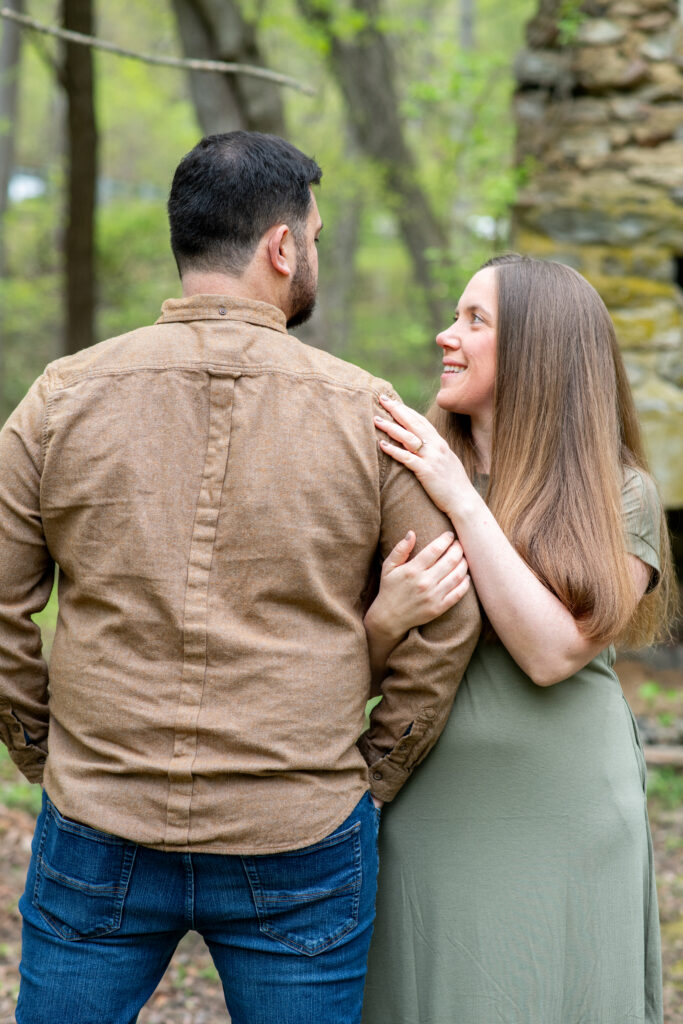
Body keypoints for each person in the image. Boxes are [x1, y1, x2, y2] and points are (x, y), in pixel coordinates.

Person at [0, 131, 481, 1024]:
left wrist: (44, 750)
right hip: (298, 829)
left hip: (101, 814)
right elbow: (446, 613)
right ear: (282, 245)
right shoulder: (367, 412)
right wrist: (370, 771)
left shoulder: (59, 397)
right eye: (319, 236)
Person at [361, 255, 676, 1024]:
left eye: (475, 320)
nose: (446, 335)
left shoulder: (620, 493)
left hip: (567, 805)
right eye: (453, 314)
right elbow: (336, 668)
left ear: (539, 350)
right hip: (424, 797)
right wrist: (384, 619)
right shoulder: (403, 477)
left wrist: (461, 500)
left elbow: (549, 653)